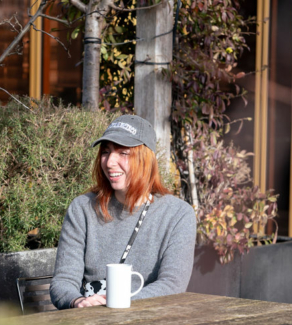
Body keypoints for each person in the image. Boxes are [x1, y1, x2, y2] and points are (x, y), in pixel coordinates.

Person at [50, 115, 197, 309]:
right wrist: (79, 302)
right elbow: (63, 282)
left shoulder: (178, 215)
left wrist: (115, 303)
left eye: (123, 153)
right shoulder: (82, 208)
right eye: (106, 152)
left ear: (146, 159)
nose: (110, 162)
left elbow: (172, 285)